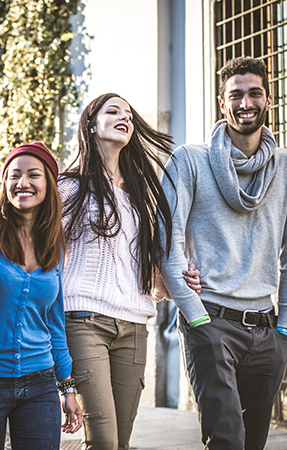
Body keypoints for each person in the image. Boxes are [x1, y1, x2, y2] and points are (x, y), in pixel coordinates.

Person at [158, 56, 287, 450]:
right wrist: (196, 318)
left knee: (252, 442)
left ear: (269, 99)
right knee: (227, 440)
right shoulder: (189, 160)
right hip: (212, 323)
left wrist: (286, 329)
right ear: (222, 104)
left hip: (267, 328)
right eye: (235, 95)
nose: (246, 103)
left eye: (254, 93)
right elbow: (166, 244)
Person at [59, 93, 201, 450]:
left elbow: (150, 275)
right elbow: (45, 259)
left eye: (129, 114)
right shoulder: (67, 187)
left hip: (135, 327)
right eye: (113, 111)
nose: (125, 117)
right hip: (84, 321)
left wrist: (180, 281)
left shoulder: (141, 196)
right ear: (91, 125)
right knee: (103, 441)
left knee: (121, 443)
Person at [0, 142, 82, 450]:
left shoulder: (54, 244)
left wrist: (68, 388)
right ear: (4, 181)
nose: (23, 183)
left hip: (40, 383)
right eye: (14, 175)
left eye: (33, 175)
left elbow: (53, 321)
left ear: (48, 183)